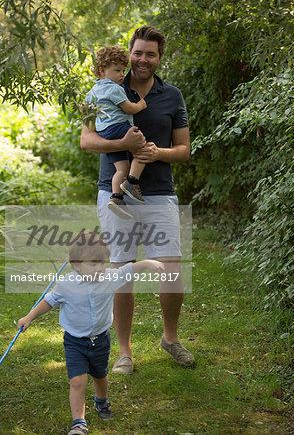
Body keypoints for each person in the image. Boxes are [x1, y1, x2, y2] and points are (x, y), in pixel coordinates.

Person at [80, 25, 194, 375]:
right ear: (129, 52)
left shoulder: (172, 96)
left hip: (160, 193)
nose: (143, 59)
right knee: (122, 271)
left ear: (159, 58)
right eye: (138, 52)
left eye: (151, 54)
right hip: (114, 192)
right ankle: (125, 352)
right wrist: (125, 145)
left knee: (171, 272)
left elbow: (184, 150)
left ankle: (170, 339)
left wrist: (154, 152)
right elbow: (87, 140)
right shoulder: (103, 88)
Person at [17, 232, 165, 435]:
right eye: (93, 264)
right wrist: (29, 318)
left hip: (101, 340)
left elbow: (128, 269)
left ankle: (101, 401)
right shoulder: (66, 284)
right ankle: (79, 422)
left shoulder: (109, 277)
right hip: (75, 342)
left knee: (100, 376)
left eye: (102, 262)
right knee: (77, 381)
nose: (100, 268)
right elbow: (48, 301)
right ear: (76, 265)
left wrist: (147, 263)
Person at [85, 46, 147, 219]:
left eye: (123, 70)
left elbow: (87, 109)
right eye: (117, 70)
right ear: (102, 71)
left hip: (104, 131)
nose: (122, 75)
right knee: (143, 147)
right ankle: (132, 182)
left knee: (121, 168)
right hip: (118, 126)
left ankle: (117, 198)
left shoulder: (92, 91)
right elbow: (129, 108)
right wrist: (141, 105)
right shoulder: (114, 88)